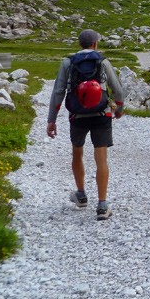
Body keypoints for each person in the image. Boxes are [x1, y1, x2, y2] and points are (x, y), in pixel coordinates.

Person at [47, 29, 124, 221]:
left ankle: (81, 194)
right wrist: (119, 108)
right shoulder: (103, 61)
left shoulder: (68, 62)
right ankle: (102, 205)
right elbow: (118, 90)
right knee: (101, 158)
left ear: (79, 43)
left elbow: (58, 92)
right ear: (95, 43)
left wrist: (51, 119)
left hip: (77, 114)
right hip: (101, 114)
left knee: (77, 152)